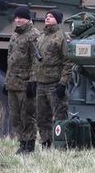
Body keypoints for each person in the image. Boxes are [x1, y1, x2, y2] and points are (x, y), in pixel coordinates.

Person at [30, 9, 72, 148]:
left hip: (55, 84)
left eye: (51, 16)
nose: (47, 18)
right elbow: (35, 62)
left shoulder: (61, 37)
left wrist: (63, 83)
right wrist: (33, 80)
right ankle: (46, 143)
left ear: (58, 20)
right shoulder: (42, 37)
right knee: (42, 118)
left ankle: (61, 145)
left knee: (60, 117)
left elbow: (68, 61)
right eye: (47, 16)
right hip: (41, 84)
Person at [5, 6, 40, 154]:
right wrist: (6, 81)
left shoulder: (34, 35)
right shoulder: (14, 36)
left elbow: (36, 60)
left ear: (28, 18)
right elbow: (10, 60)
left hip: (25, 84)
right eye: (16, 17)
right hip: (13, 83)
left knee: (27, 116)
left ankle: (29, 145)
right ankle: (22, 143)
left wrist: (33, 81)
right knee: (16, 117)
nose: (17, 20)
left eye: (21, 17)